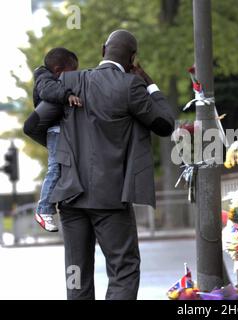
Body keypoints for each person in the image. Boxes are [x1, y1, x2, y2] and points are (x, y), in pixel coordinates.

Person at [23, 30, 175, 300]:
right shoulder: (131, 86)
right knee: (123, 269)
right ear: (132, 59)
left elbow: (32, 125)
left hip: (70, 196)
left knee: (76, 274)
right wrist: (150, 84)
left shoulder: (70, 81)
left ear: (103, 49)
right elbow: (164, 124)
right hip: (111, 198)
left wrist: (64, 153)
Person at [33, 48, 82, 232]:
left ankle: (54, 204)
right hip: (54, 130)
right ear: (58, 69)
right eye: (73, 70)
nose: (75, 75)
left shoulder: (51, 77)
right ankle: (44, 209)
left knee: (62, 166)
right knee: (55, 167)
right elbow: (48, 91)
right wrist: (67, 95)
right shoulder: (44, 79)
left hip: (60, 129)